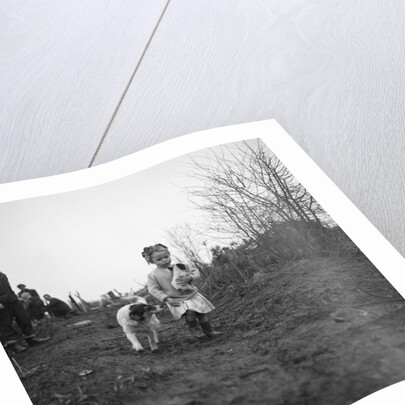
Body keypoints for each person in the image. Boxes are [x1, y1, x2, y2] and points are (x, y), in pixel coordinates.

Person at [143, 243, 222, 339]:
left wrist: (190, 278)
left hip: (192, 295)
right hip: (176, 299)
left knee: (201, 313)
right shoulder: (153, 275)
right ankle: (195, 330)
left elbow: (195, 272)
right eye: (159, 259)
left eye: (166, 257)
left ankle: (209, 331)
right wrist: (166, 298)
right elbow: (153, 289)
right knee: (190, 312)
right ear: (152, 261)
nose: (164, 260)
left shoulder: (180, 266)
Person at [0, 272, 49, 352]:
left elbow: (8, 289)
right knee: (6, 324)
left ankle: (31, 339)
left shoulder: (2, 275)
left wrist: (17, 297)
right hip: (2, 303)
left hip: (13, 300)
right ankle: (14, 345)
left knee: (24, 318)